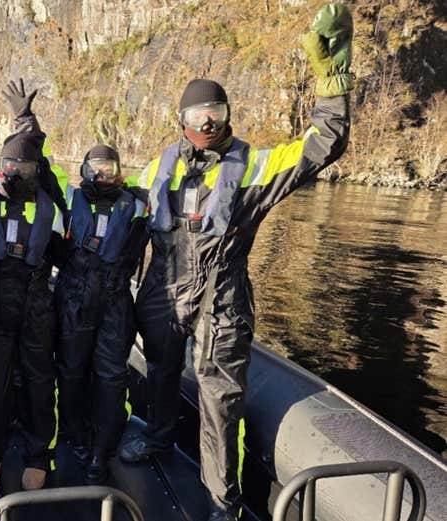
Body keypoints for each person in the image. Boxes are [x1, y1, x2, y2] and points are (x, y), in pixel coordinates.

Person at [118, 4, 354, 520]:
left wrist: (333, 83)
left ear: (228, 116)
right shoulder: (159, 164)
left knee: (219, 403)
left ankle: (221, 500)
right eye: (199, 115)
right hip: (162, 295)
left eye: (217, 114)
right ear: (180, 121)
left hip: (220, 305)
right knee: (158, 374)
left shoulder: (257, 167)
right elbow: (120, 208)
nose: (208, 122)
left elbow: (322, 144)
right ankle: (157, 440)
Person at [0, 79, 68, 492]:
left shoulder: (50, 203)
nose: (17, 173)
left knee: (39, 383)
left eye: (24, 169)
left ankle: (37, 454)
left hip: (35, 310)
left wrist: (27, 122)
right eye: (9, 168)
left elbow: (36, 157)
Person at [55, 144, 149, 483]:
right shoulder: (67, 197)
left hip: (115, 299)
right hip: (73, 297)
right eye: (94, 168)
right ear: (82, 169)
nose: (101, 175)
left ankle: (102, 447)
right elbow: (41, 167)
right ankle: (73, 435)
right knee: (70, 370)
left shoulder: (139, 202)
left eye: (108, 168)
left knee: (111, 375)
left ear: (120, 170)